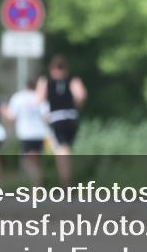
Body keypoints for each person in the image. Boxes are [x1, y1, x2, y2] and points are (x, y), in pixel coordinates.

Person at [37, 55, 87, 187]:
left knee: (61, 150)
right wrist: (76, 107)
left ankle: (66, 183)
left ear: (51, 69)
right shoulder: (73, 80)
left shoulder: (45, 81)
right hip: (71, 117)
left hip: (56, 118)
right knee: (67, 148)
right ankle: (67, 181)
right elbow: (81, 96)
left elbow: (39, 100)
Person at [7, 79, 49, 185]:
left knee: (27, 161)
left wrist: (3, 111)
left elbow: (11, 116)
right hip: (40, 133)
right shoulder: (39, 96)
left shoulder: (18, 97)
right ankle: (37, 185)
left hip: (26, 133)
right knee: (36, 160)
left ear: (26, 86)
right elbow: (46, 115)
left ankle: (36, 183)